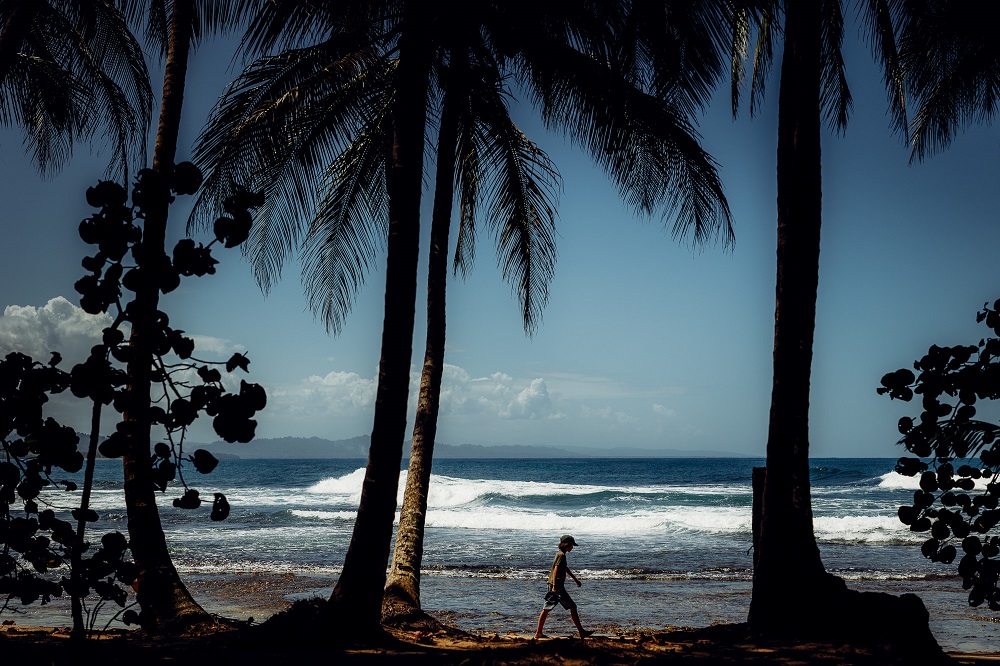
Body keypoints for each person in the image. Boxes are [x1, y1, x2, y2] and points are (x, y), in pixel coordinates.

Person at [534, 534, 594, 639]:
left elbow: (565, 569)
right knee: (571, 606)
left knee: (547, 609)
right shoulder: (561, 555)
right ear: (567, 544)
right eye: (572, 545)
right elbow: (556, 569)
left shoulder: (561, 554)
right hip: (557, 586)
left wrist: (576, 580)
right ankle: (581, 632)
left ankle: (539, 632)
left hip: (556, 585)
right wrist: (554, 587)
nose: (572, 547)